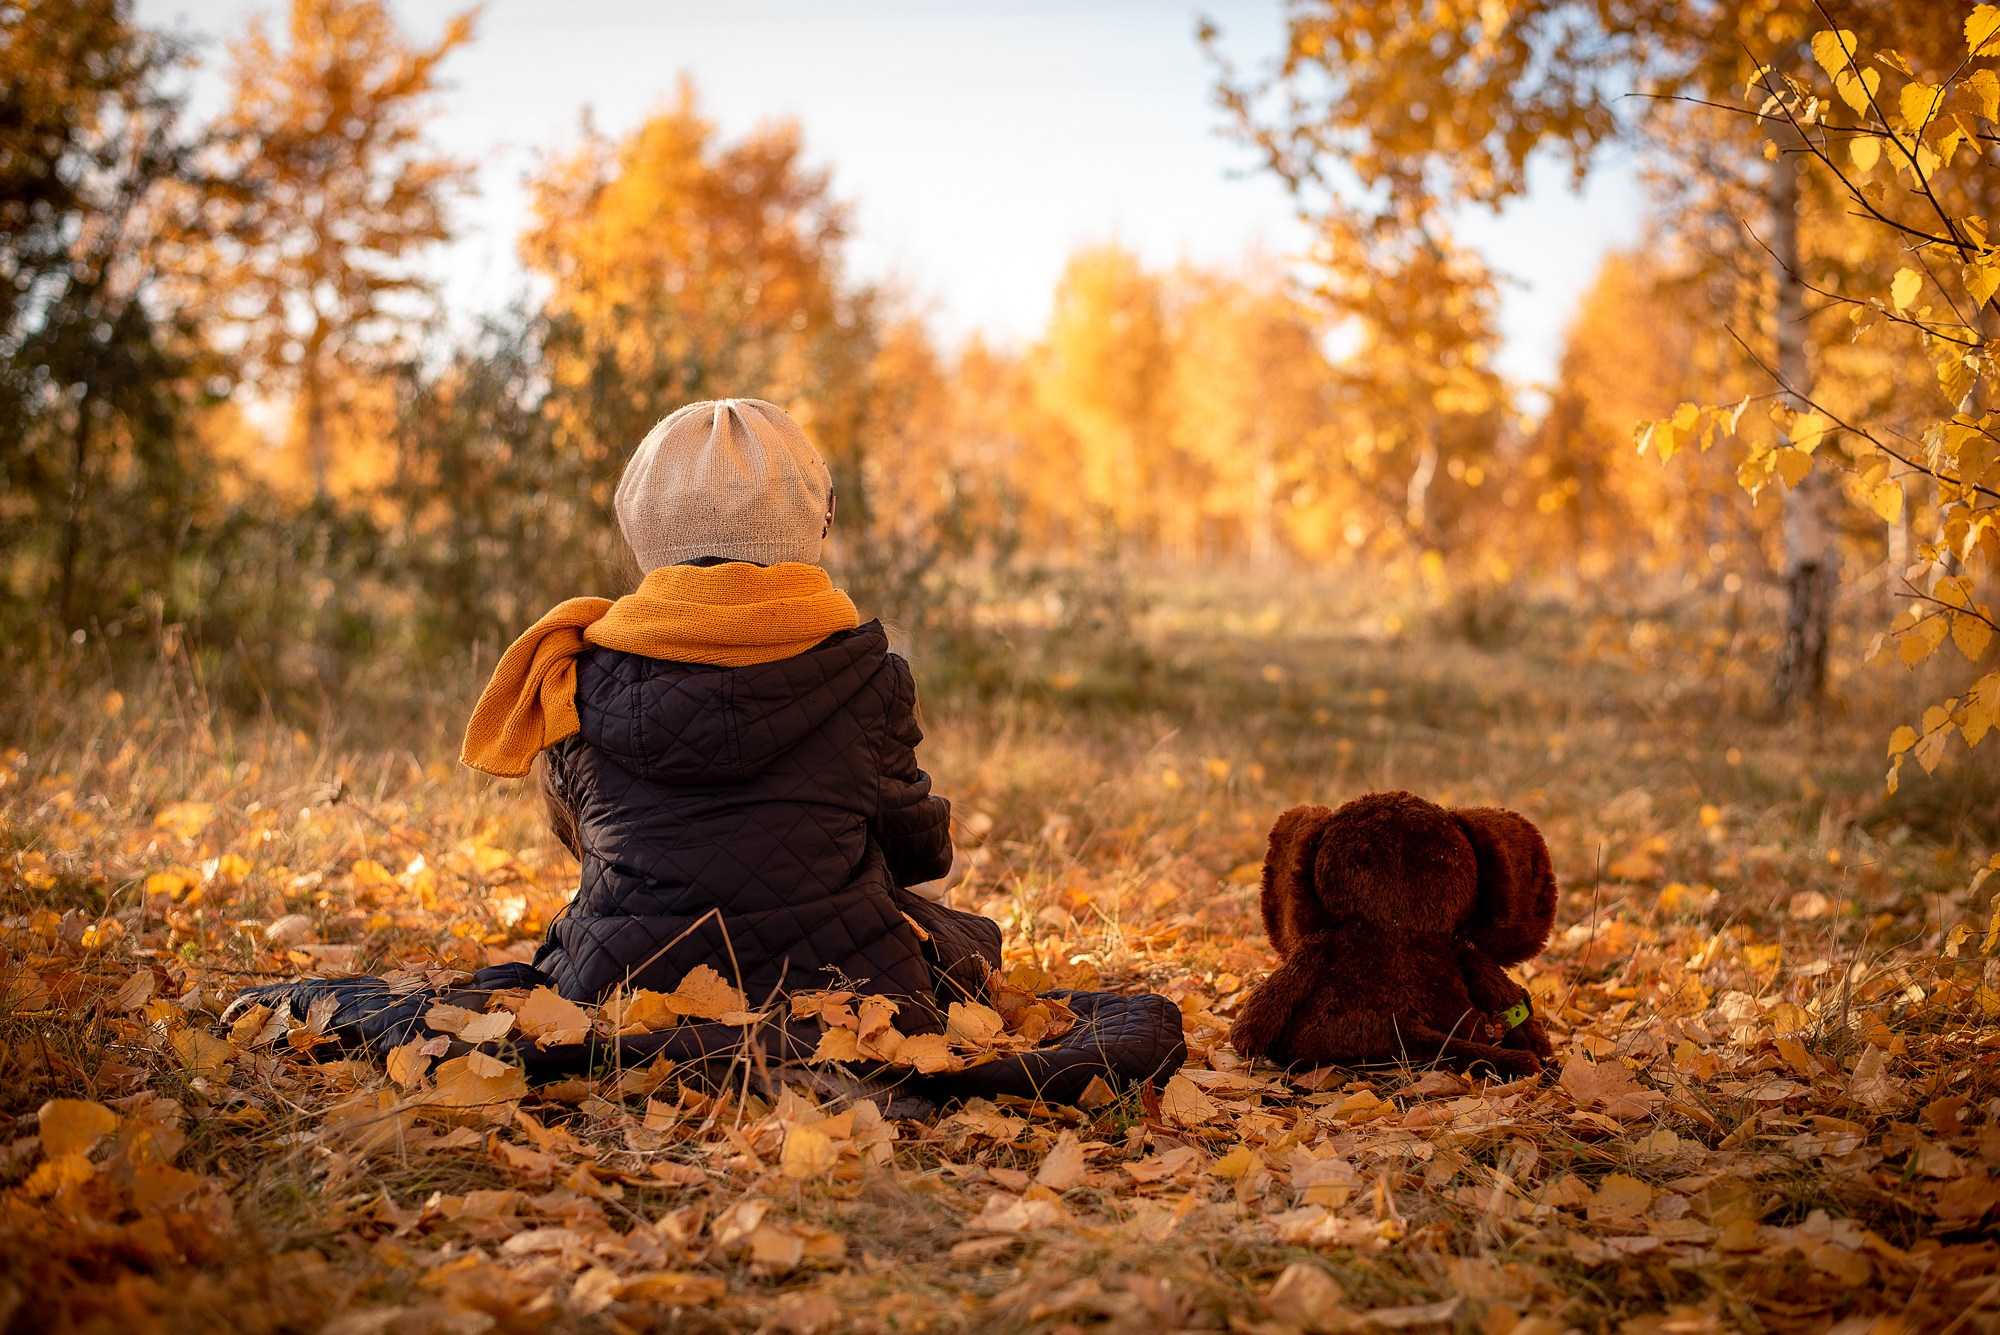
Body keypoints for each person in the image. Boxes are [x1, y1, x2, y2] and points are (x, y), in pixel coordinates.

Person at [460, 398, 999, 1031]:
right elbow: (916, 847)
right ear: (814, 523)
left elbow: (586, 840)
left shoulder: (569, 671)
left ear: (642, 526)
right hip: (843, 982)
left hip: (616, 980)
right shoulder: (868, 672)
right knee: (963, 938)